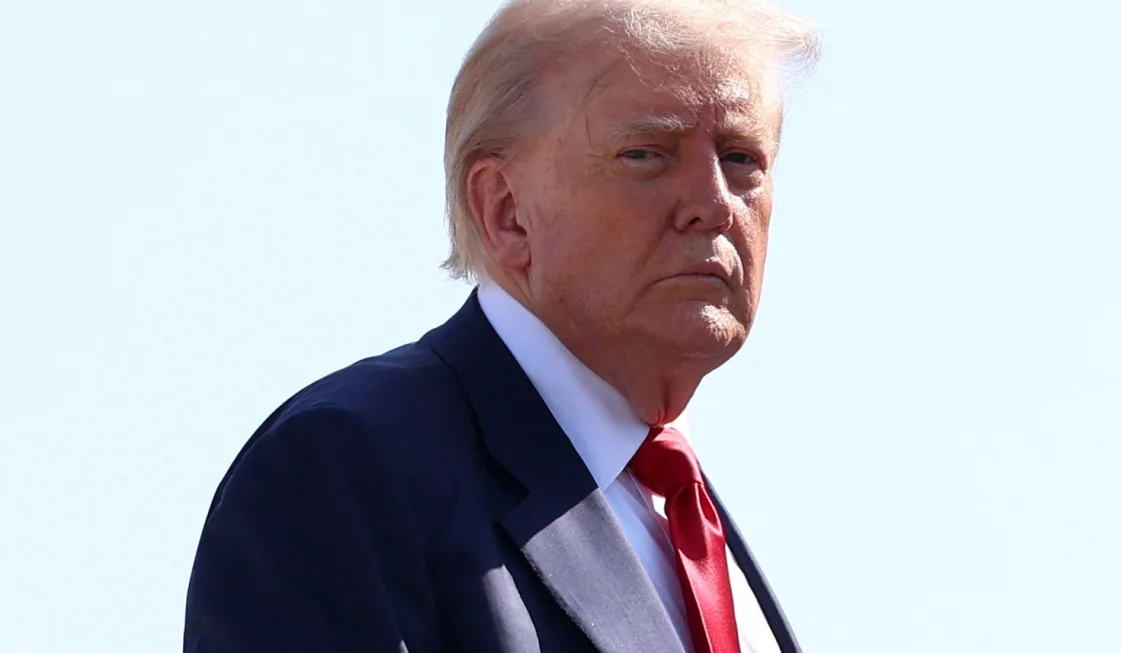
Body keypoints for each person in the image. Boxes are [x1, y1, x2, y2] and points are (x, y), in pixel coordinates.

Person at [183, 0, 818, 651]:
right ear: (506, 209)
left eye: (741, 157)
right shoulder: (348, 467)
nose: (712, 204)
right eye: (646, 154)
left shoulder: (687, 513)